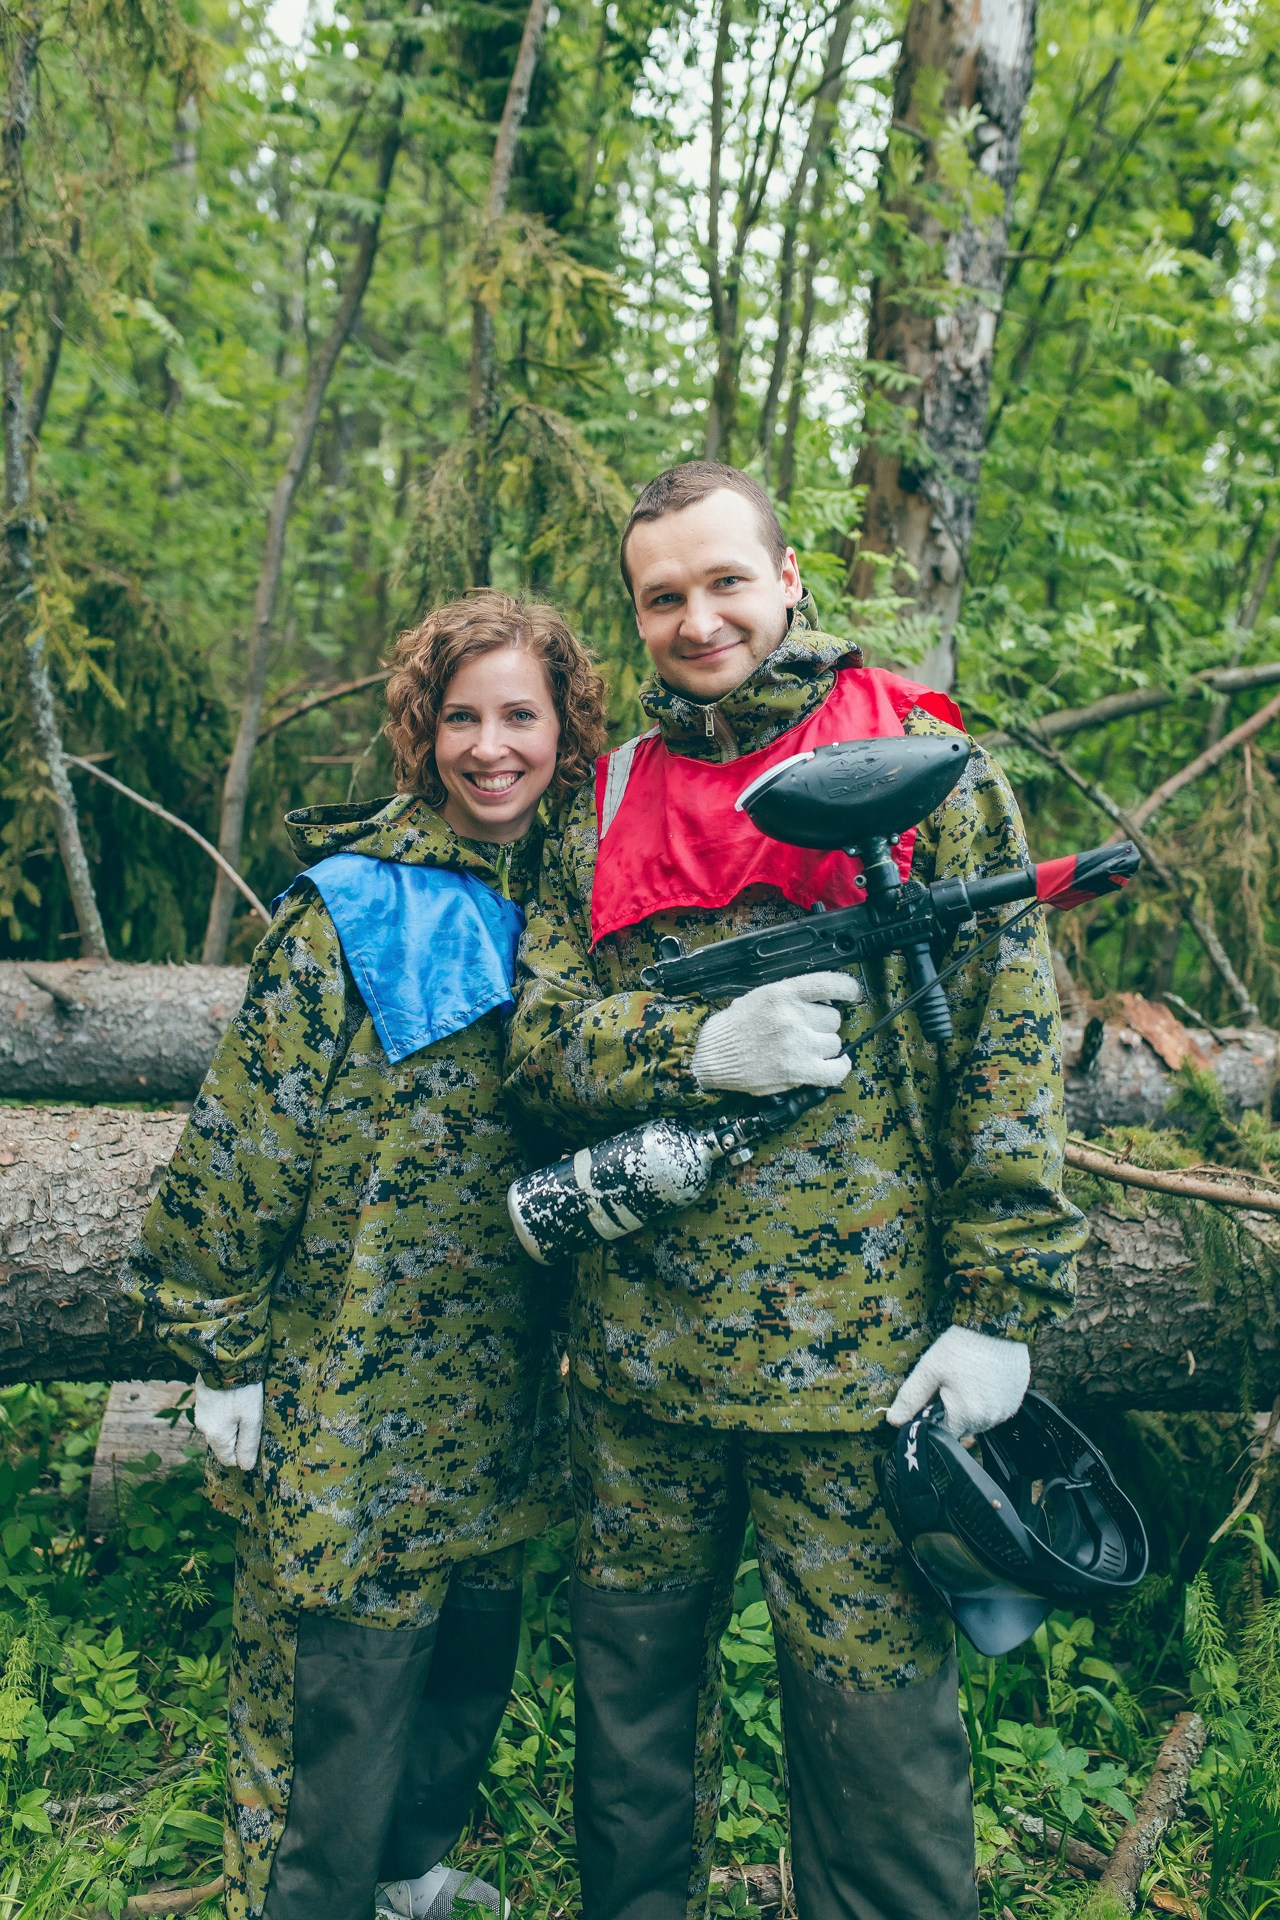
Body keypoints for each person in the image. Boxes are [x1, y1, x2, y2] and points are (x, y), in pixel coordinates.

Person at [505, 463, 1088, 1920]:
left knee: (878, 1744)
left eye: (726, 582)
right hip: (639, 1366)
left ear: (788, 580)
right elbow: (539, 1043)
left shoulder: (924, 760)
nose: (699, 620)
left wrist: (1001, 1311)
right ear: (637, 615)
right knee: (631, 1724)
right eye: (663, 597)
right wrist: (688, 1045)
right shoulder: (606, 798)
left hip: (863, 1374)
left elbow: (1009, 1049)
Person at [128, 593, 606, 1920]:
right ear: (421, 731)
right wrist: (219, 1348)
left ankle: (408, 1876)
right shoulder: (349, 910)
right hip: (351, 1382)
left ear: (566, 728)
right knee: (338, 1679)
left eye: (521, 715)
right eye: (462, 718)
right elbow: (246, 1135)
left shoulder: (582, 902)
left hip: (504, 1383)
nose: (491, 747)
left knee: (467, 1652)